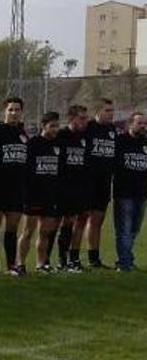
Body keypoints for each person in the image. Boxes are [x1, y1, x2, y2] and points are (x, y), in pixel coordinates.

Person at [0, 97, 28, 276]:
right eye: (10, 110)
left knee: (12, 227)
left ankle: (11, 266)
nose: (14, 113)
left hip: (17, 188)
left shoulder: (24, 133)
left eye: (17, 110)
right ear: (5, 111)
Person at [16, 112, 62, 275]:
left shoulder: (58, 145)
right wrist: (26, 194)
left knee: (45, 233)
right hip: (34, 195)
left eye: (57, 126)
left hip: (50, 196)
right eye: (52, 126)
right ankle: (20, 264)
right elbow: (25, 172)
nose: (55, 129)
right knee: (28, 231)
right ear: (43, 126)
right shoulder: (33, 144)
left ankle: (41, 264)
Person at [54, 105, 90, 273]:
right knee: (55, 223)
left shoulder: (84, 137)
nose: (85, 121)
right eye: (81, 118)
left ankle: (67, 259)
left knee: (71, 222)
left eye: (85, 118)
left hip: (78, 187)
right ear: (71, 119)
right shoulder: (61, 135)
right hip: (61, 186)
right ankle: (52, 261)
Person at [83, 98, 117, 269]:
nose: (111, 114)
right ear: (97, 112)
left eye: (112, 110)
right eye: (107, 110)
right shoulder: (88, 128)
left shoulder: (112, 130)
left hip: (104, 182)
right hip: (88, 182)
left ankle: (94, 259)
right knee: (81, 220)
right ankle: (69, 258)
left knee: (98, 220)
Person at [112, 112, 147, 272]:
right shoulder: (120, 141)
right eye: (139, 123)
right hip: (124, 193)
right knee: (124, 229)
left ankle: (128, 258)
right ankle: (124, 263)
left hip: (141, 193)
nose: (142, 126)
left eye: (144, 124)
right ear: (130, 124)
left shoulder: (145, 142)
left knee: (134, 229)